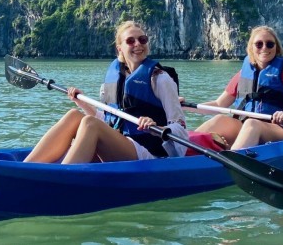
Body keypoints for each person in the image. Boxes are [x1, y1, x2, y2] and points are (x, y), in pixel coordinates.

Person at [24, 21, 189, 164]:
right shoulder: (113, 81)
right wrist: (81, 102)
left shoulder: (160, 79)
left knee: (90, 124)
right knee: (74, 115)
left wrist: (155, 126)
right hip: (122, 143)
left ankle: (61, 177)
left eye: (142, 39)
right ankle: (27, 168)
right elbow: (109, 121)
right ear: (120, 50)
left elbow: (180, 127)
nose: (138, 44)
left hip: (150, 154)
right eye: (130, 41)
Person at [191, 25, 283, 150]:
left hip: (278, 128)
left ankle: (232, 159)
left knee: (252, 124)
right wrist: (183, 106)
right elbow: (219, 104)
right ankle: (179, 151)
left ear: (276, 47)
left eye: (269, 44)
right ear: (251, 48)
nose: (264, 48)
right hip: (246, 125)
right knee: (219, 119)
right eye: (259, 44)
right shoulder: (242, 75)